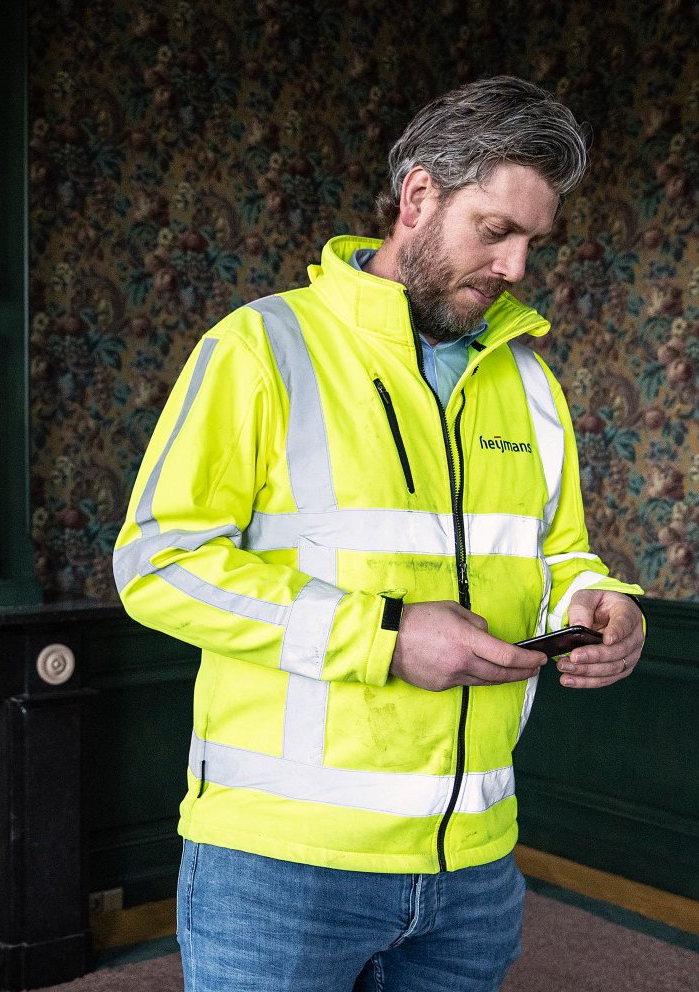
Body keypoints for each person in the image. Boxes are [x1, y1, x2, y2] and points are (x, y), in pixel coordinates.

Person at [113, 76, 647, 991]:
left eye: (531, 242)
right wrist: (387, 636)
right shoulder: (259, 347)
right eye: (495, 232)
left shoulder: (528, 380)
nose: (516, 268)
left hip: (474, 864)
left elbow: (558, 549)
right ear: (418, 198)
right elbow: (157, 564)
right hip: (280, 864)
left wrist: (600, 603)